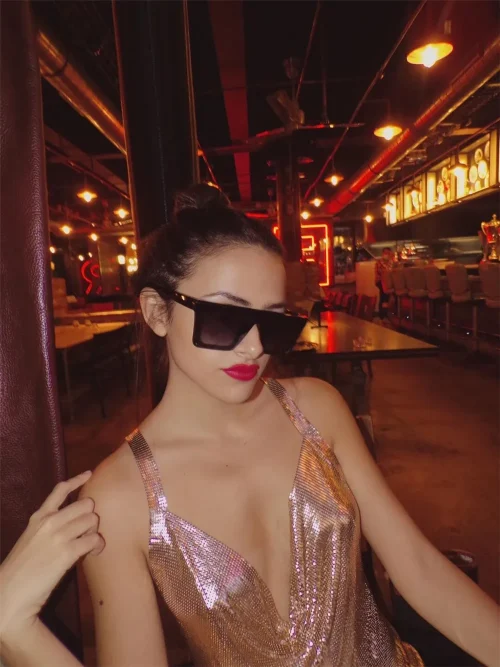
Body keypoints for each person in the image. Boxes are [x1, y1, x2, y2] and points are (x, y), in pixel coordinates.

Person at [1, 184, 499, 667]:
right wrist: (13, 633)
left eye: (274, 322)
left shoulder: (316, 410)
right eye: (225, 318)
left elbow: (418, 568)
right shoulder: (120, 496)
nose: (256, 347)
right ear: (156, 312)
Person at [375, 246, 395, 320]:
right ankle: (382, 314)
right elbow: (381, 272)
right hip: (380, 281)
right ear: (382, 253)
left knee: (387, 296)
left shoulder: (391, 262)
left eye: (388, 253)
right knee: (384, 295)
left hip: (388, 282)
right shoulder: (379, 262)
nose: (387, 254)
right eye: (385, 253)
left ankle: (385, 313)